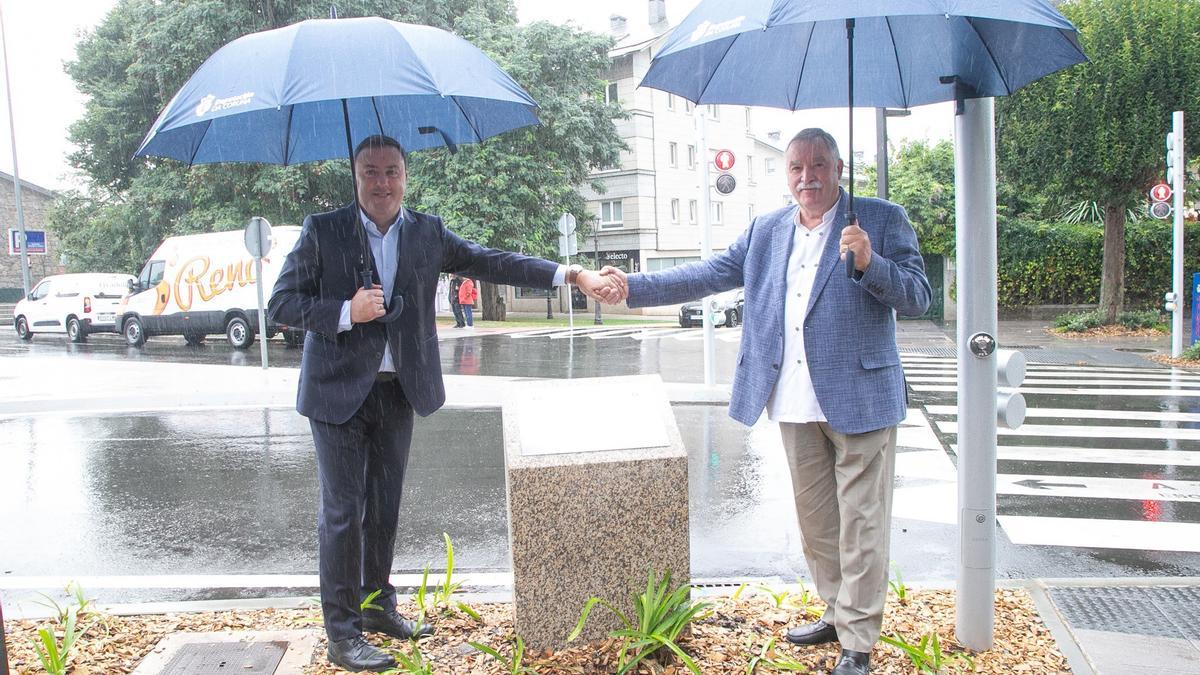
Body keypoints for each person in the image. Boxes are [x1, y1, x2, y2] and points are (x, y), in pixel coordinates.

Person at [268, 134, 621, 672]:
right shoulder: (324, 230)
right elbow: (281, 304)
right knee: (343, 512)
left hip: (398, 390)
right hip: (336, 393)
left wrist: (572, 275)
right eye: (370, 172)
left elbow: (493, 261)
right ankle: (342, 634)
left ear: (405, 176)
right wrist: (345, 311)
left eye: (391, 171)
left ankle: (376, 606)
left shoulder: (427, 232)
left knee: (384, 508)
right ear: (355, 177)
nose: (382, 183)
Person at [598, 129, 930, 675]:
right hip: (794, 399)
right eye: (797, 167)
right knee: (817, 524)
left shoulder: (881, 219)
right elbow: (708, 274)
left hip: (861, 397)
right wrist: (632, 286)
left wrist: (871, 262)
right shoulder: (767, 230)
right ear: (787, 174)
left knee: (862, 524)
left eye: (819, 165)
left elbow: (918, 296)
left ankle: (858, 641)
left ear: (839, 169)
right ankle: (836, 611)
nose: (808, 177)